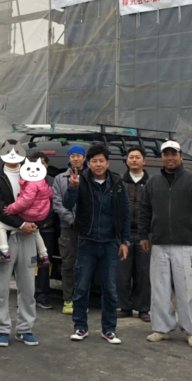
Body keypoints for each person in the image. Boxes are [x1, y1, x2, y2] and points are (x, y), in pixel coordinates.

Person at [139, 140, 192, 348]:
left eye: (174, 154)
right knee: (160, 289)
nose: (170, 158)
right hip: (159, 242)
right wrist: (144, 235)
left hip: (186, 243)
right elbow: (145, 210)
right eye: (166, 154)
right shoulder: (153, 182)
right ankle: (162, 328)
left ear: (181, 156)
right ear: (162, 157)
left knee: (188, 290)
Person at [63, 144, 130, 345]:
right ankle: (80, 327)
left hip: (110, 242)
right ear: (88, 163)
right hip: (87, 241)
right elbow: (67, 204)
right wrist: (72, 188)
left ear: (107, 163)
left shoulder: (117, 182)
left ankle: (109, 330)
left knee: (110, 289)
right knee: (81, 287)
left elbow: (125, 214)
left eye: (101, 161)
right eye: (94, 161)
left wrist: (124, 241)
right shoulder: (80, 180)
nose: (98, 164)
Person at [0, 143, 40, 347]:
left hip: (29, 237)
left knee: (28, 287)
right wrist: (20, 224)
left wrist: (36, 223)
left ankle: (25, 329)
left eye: (16, 151)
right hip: (3, 237)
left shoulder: (34, 174)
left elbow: (43, 202)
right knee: (0, 288)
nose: (12, 155)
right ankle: (1, 329)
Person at [0, 155, 52, 267]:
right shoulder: (44, 182)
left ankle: (4, 251)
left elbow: (26, 201)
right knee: (36, 232)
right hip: (40, 216)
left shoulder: (31, 183)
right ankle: (44, 255)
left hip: (28, 215)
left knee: (0, 226)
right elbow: (50, 196)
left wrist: (11, 209)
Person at [117, 146, 151, 322]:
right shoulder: (119, 182)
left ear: (144, 161)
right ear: (127, 161)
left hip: (145, 234)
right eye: (131, 157)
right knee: (123, 273)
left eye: (138, 157)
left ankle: (143, 309)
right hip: (125, 234)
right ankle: (125, 307)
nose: (134, 160)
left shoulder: (151, 182)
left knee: (144, 273)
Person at [53, 145, 86, 314]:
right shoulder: (60, 178)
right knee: (68, 265)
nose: (76, 158)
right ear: (69, 158)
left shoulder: (90, 176)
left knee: (85, 266)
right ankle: (68, 300)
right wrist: (72, 221)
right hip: (68, 228)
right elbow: (57, 203)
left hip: (87, 229)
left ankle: (82, 301)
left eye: (79, 155)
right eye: (72, 155)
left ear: (84, 158)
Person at [33, 154, 57, 310]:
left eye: (42, 163)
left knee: (44, 262)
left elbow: (55, 204)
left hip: (47, 228)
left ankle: (42, 295)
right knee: (27, 263)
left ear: (47, 165)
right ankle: (27, 294)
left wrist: (44, 222)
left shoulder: (52, 182)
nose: (39, 165)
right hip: (27, 228)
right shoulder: (24, 179)